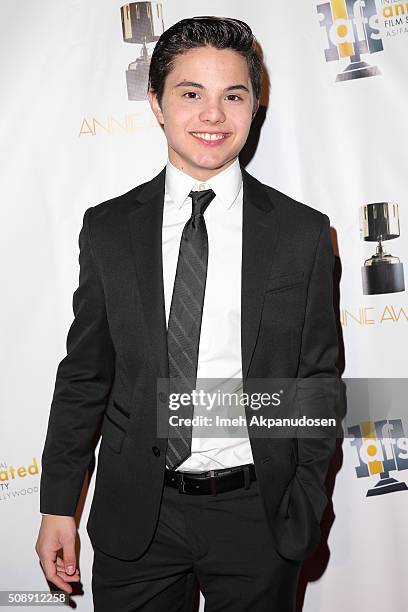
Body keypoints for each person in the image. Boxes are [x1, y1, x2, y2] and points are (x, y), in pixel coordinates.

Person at [35, 16, 340, 612]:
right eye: (190, 93)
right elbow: (84, 377)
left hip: (258, 518)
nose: (212, 115)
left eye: (233, 95)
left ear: (255, 106)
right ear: (156, 102)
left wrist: (302, 506)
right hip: (136, 518)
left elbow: (317, 384)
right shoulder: (108, 229)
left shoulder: (303, 235)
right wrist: (56, 505)